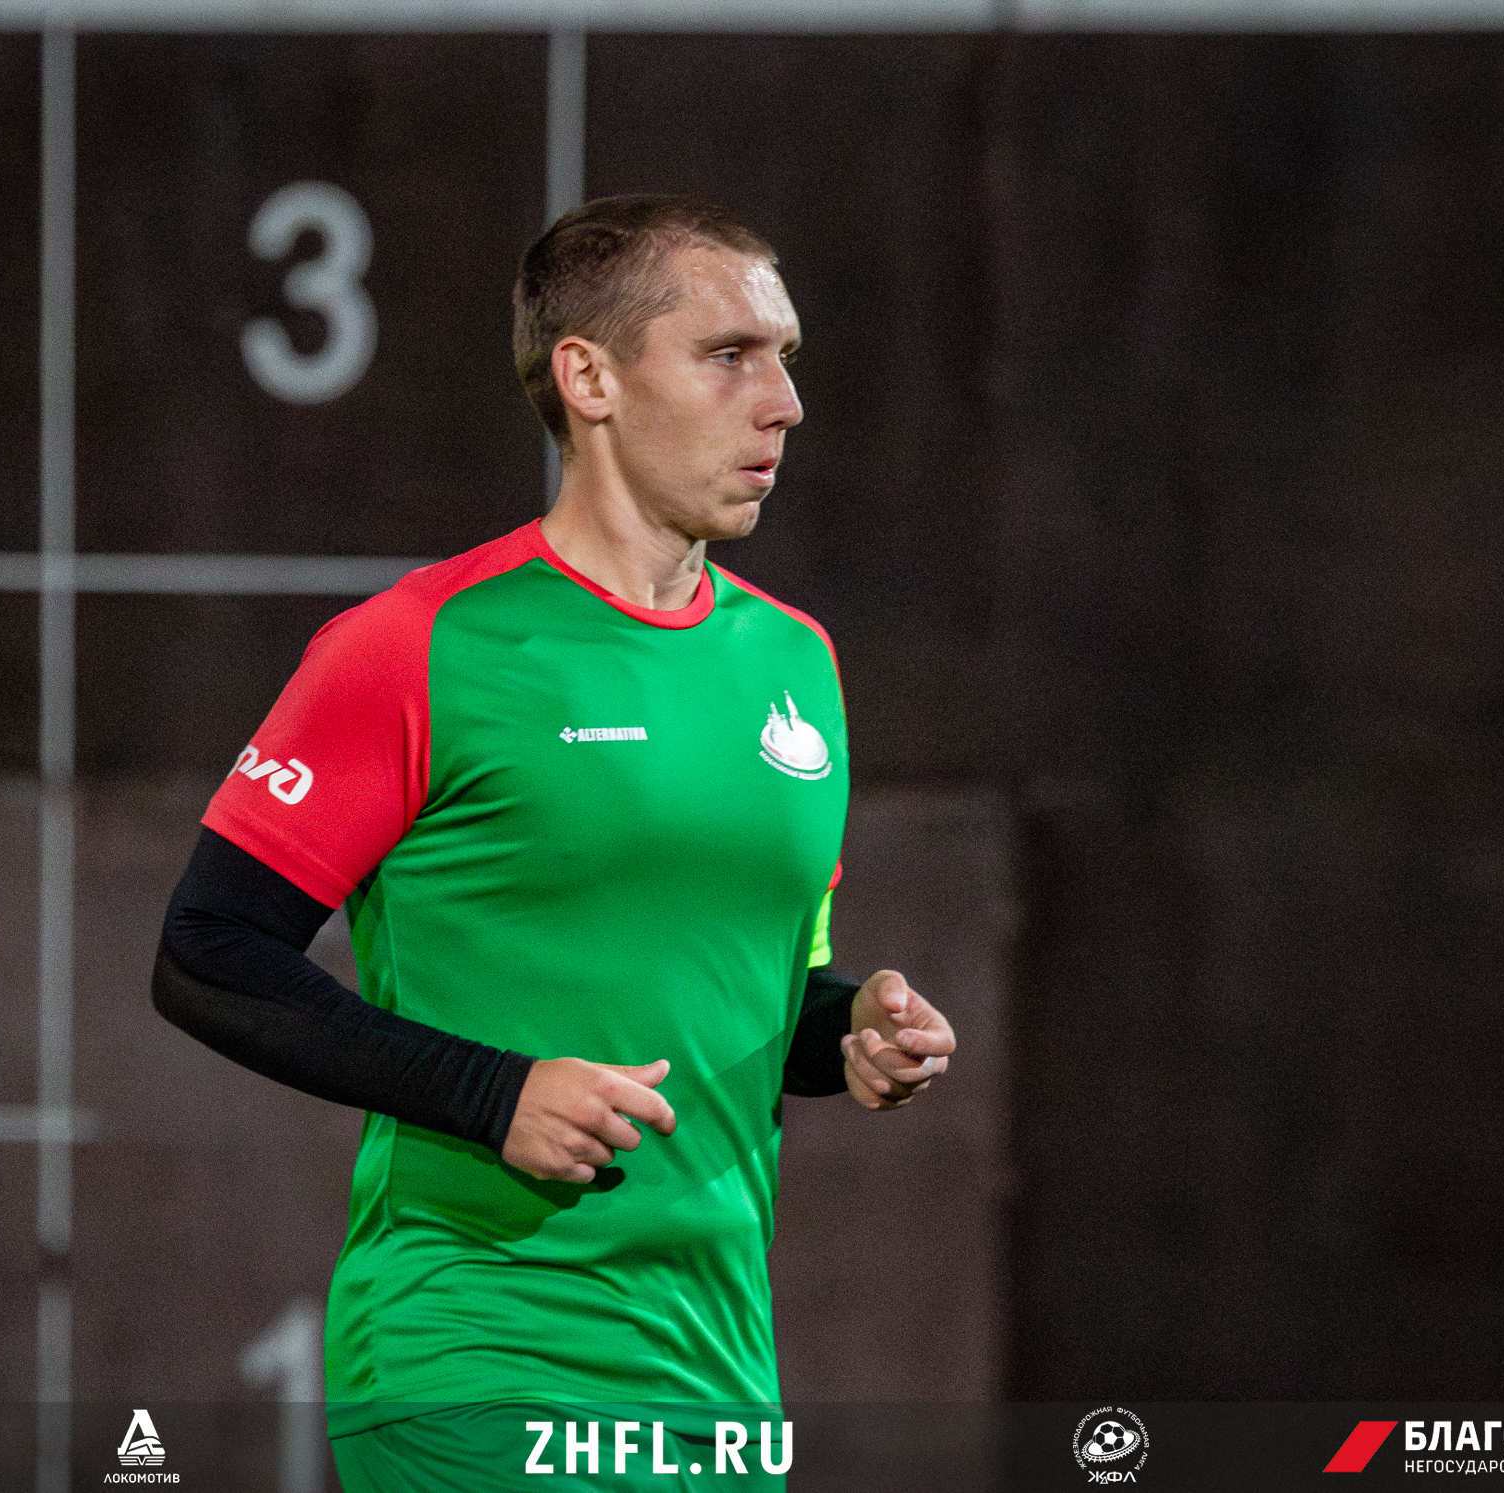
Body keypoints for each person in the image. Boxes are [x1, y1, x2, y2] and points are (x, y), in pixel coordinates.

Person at [153, 195, 957, 1490]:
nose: (785, 403)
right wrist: (495, 1094)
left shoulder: (795, 662)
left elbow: (771, 989)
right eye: (729, 355)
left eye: (787, 357)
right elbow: (207, 951)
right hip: (475, 1346)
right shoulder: (418, 645)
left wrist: (853, 1025)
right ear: (589, 378)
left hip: (714, 1369)